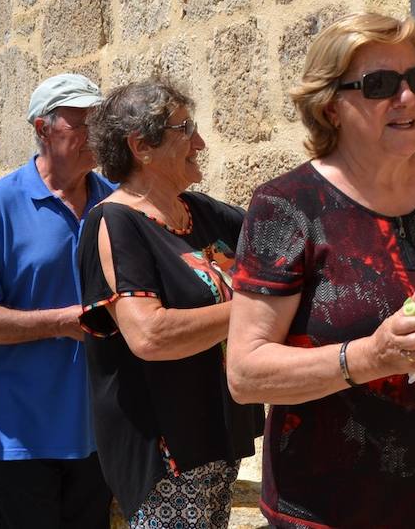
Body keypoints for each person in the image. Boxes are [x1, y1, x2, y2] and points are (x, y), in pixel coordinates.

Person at [227, 13, 415, 528]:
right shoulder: (286, 206)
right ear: (331, 107)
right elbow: (244, 373)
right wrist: (370, 357)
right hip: (321, 507)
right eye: (380, 85)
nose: (407, 98)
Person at [77, 81, 263, 528]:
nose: (199, 142)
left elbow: (282, 234)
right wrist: (253, 306)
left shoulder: (201, 213)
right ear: (141, 146)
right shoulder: (116, 222)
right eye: (186, 129)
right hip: (167, 454)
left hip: (217, 433)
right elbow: (149, 334)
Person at [0, 74, 115, 529]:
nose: (94, 136)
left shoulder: (115, 203)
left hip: (100, 431)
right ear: (42, 129)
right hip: (19, 433)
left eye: (99, 124)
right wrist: (61, 322)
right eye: (80, 124)